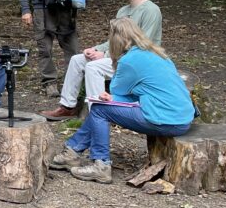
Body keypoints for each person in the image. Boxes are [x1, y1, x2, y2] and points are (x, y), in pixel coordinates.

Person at [51, 17, 194, 184]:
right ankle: (72, 151)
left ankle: (101, 165)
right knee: (102, 108)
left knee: (99, 109)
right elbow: (137, 91)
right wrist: (113, 98)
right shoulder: (157, 54)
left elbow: (118, 91)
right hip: (183, 118)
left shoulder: (129, 60)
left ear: (117, 40)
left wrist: (111, 97)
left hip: (166, 119)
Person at [41, 0, 162, 120]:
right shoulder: (123, 11)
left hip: (140, 63)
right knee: (77, 60)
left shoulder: (151, 10)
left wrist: (105, 54)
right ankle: (67, 107)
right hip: (120, 59)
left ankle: (98, 115)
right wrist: (96, 49)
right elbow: (114, 40)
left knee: (93, 67)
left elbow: (144, 44)